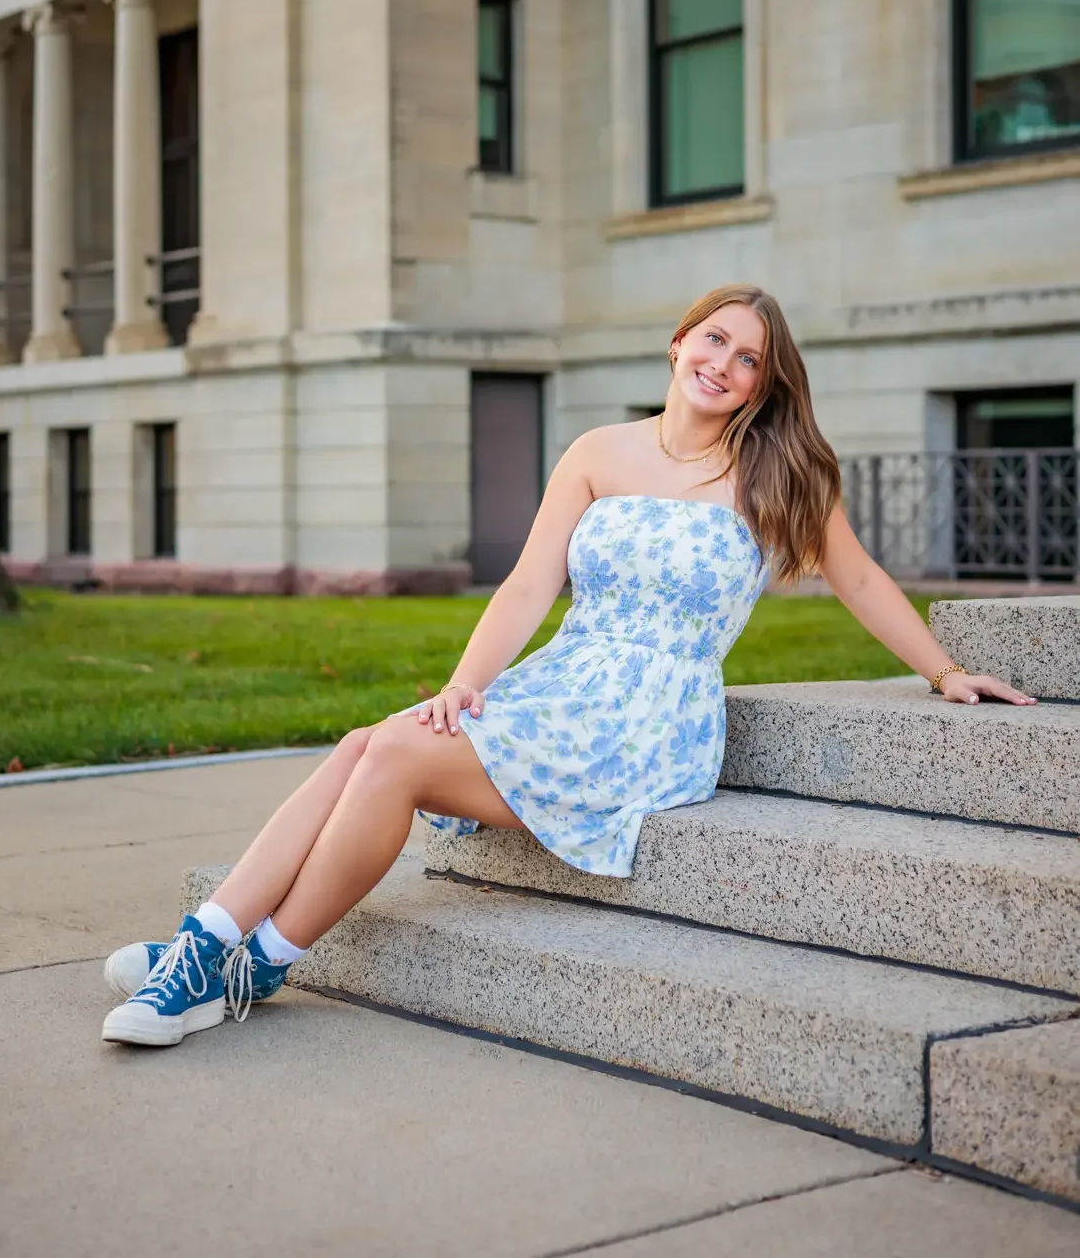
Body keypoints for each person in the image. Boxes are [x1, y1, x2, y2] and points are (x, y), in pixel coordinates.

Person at [100, 284, 1037, 1047]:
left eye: (748, 359)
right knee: (364, 742)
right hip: (560, 685)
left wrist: (945, 671)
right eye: (713, 341)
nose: (724, 365)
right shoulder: (599, 451)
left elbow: (862, 578)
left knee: (386, 757)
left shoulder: (774, 474)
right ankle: (223, 952)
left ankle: (233, 961)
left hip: (645, 719)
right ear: (677, 345)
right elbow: (526, 585)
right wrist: (465, 684)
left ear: (760, 386)